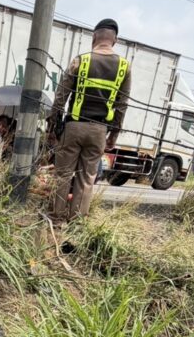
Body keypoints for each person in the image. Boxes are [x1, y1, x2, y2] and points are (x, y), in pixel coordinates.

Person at [47, 19, 131, 221]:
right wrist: (114, 135)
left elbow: (61, 96)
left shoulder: (80, 60)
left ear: (94, 37)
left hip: (74, 127)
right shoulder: (124, 67)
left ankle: (56, 219)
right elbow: (122, 105)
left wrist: (52, 126)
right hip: (99, 131)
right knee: (86, 179)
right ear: (115, 40)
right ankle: (77, 222)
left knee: (63, 174)